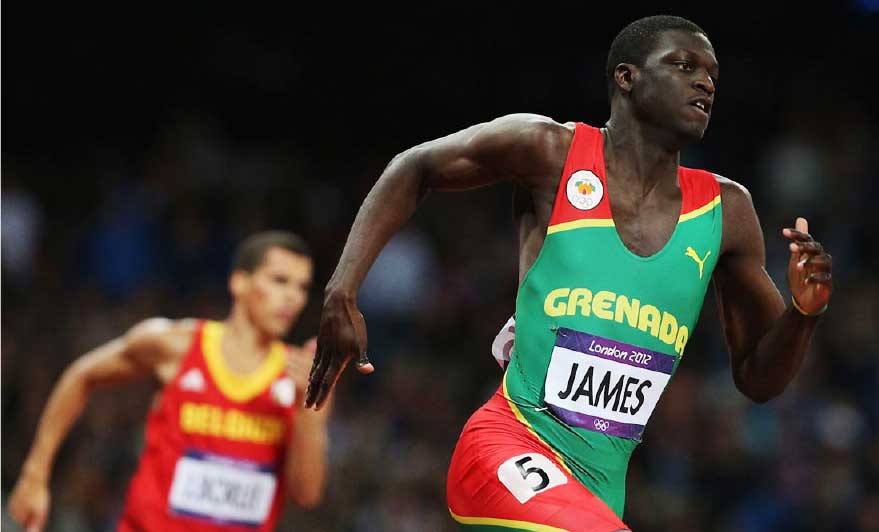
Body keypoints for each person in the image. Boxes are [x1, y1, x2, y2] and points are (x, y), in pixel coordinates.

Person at [305, 14, 833, 532]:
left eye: (713, 74)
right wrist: (341, 292)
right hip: (508, 448)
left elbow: (759, 378)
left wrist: (805, 313)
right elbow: (414, 166)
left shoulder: (726, 211)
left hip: (597, 496)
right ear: (626, 77)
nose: (705, 82)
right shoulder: (550, 151)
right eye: (684, 65)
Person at [8, 231, 330, 532]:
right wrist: (35, 474)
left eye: (302, 287)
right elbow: (81, 375)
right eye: (279, 281)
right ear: (239, 283)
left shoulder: (301, 375)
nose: (292, 297)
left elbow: (306, 495)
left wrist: (308, 414)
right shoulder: (177, 345)